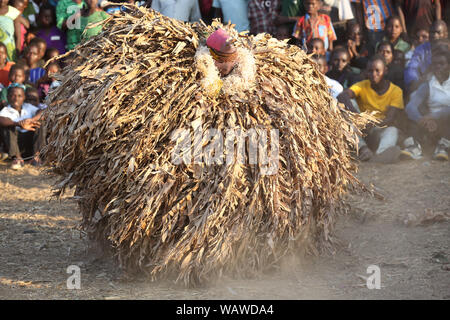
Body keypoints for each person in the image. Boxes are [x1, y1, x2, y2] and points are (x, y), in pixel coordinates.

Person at [337, 55, 404, 163]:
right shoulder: (362, 86)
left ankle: (381, 154)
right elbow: (342, 96)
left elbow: (390, 119)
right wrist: (359, 119)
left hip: (380, 130)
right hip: (362, 130)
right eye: (370, 71)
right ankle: (363, 149)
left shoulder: (396, 91)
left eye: (378, 71)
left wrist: (372, 124)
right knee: (345, 108)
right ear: (366, 72)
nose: (373, 74)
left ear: (385, 71)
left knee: (392, 130)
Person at [401, 46, 450, 161]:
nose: (438, 67)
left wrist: (434, 116)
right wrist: (422, 120)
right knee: (410, 112)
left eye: (441, 64)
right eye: (435, 64)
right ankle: (415, 147)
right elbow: (410, 107)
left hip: (445, 121)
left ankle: (443, 146)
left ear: (449, 65)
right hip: (432, 125)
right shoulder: (428, 85)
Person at [0, 84, 43, 169]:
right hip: (15, 145)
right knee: (8, 126)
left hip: (29, 145)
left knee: (40, 123)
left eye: (19, 96)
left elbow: (42, 111)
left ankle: (36, 156)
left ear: (24, 97)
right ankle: (17, 158)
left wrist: (32, 120)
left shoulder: (28, 107)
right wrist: (19, 124)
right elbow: (1, 119)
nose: (16, 98)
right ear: (8, 97)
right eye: (13, 95)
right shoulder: (5, 110)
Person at [404, 20, 448, 93]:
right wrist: (413, 82)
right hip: (425, 85)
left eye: (438, 32)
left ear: (446, 34)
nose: (435, 35)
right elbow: (412, 67)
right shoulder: (421, 49)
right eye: (432, 32)